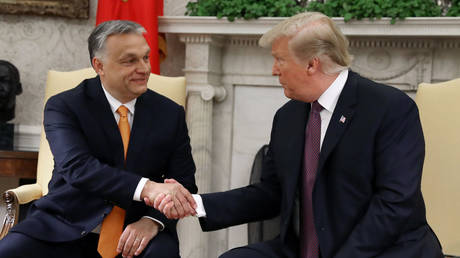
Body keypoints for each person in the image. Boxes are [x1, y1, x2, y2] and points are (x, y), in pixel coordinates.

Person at [155, 12, 443, 258]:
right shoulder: (288, 116)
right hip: (304, 248)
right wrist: (196, 204)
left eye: (279, 59)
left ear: (311, 64)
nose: (273, 70)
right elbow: (270, 193)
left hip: (381, 250)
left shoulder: (389, 108)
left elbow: (394, 203)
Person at [0, 20, 197, 258]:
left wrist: (152, 221)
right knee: (9, 251)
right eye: (130, 60)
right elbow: (78, 168)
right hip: (65, 222)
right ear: (99, 65)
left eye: (146, 58)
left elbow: (184, 183)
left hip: (137, 228)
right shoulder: (64, 106)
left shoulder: (170, 113)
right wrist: (147, 188)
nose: (144, 68)